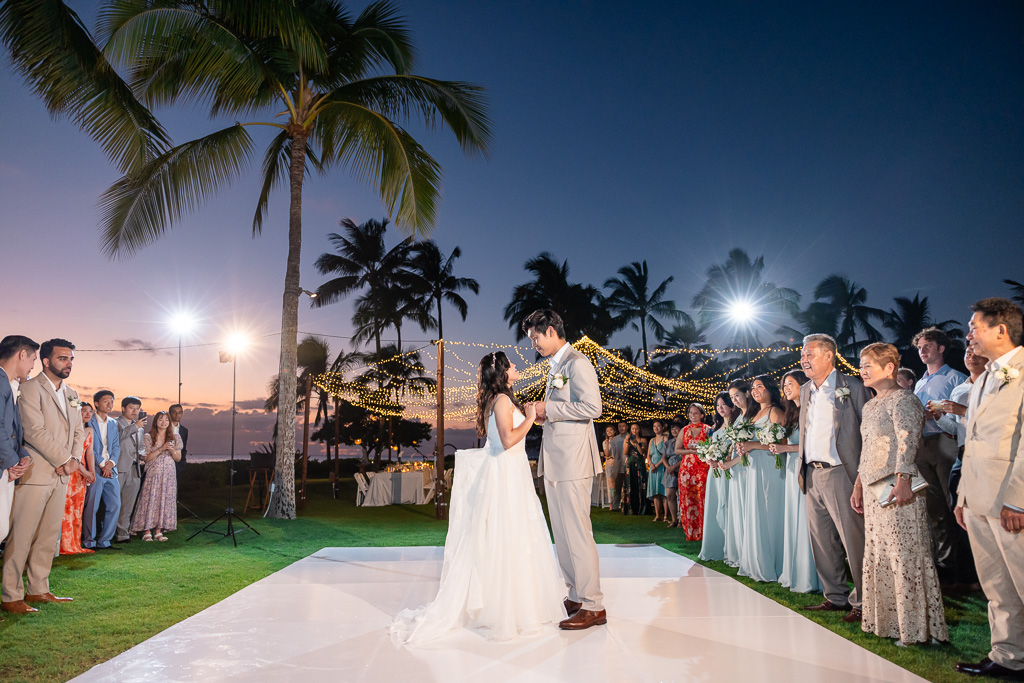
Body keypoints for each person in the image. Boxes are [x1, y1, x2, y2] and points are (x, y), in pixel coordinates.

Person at [389, 352, 565, 644]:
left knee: (507, 538)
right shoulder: (504, 400)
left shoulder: (498, 399)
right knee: (509, 537)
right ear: (503, 372)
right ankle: (508, 610)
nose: (517, 367)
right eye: (512, 365)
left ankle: (509, 604)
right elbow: (508, 440)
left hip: (509, 472)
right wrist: (531, 418)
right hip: (507, 474)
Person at [851, 343, 948, 646]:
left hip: (896, 485)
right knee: (882, 554)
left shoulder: (904, 399)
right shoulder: (870, 404)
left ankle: (917, 631)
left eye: (868, 365)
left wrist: (904, 479)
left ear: (889, 367)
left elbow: (909, 441)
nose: (862, 371)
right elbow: (867, 448)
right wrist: (857, 485)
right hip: (872, 486)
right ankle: (891, 623)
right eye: (861, 365)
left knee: (905, 554)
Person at [953, 298, 1024, 679]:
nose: (969, 335)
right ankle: (1009, 657)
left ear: (1001, 329)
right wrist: (962, 498)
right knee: (997, 586)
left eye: (974, 327)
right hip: (978, 499)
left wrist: (1019, 500)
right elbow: (974, 442)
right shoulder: (984, 377)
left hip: (1010, 502)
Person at [525, 309, 606, 630]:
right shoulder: (556, 367)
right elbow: (566, 410)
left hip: (574, 461)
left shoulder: (578, 363)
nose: (533, 344)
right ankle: (575, 594)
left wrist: (550, 409)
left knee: (577, 533)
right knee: (562, 533)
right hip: (556, 461)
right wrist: (547, 416)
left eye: (535, 337)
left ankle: (593, 604)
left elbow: (593, 408)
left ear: (550, 331)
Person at [1, 339, 84, 615]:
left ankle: (38, 588)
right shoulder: (28, 388)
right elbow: (34, 431)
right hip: (36, 472)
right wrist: (64, 460)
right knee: (22, 535)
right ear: (46, 361)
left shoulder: (72, 393)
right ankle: (10, 593)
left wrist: (72, 462)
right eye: (62, 358)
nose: (68, 363)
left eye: (71, 359)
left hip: (62, 475)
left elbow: (78, 432)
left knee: (48, 535)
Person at [798, 333, 871, 623]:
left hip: (842, 472)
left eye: (810, 355)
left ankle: (864, 601)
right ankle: (835, 597)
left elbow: (868, 432)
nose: (804, 360)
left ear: (829, 355)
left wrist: (862, 478)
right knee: (822, 541)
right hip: (811, 474)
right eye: (802, 356)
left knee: (854, 540)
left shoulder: (852, 386)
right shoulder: (805, 390)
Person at [912, 327, 967, 581]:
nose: (922, 351)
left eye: (927, 346)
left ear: (941, 348)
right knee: (932, 507)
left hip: (946, 443)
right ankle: (943, 565)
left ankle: (962, 567)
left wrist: (941, 414)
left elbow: (965, 414)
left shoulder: (957, 378)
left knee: (952, 503)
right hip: (922, 445)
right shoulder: (920, 382)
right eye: (920, 347)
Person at [770, 369, 820, 593]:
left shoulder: (812, 410)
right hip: (791, 469)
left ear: (803, 384)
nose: (786, 389)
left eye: (790, 384)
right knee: (793, 519)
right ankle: (793, 571)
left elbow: (813, 444)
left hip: (806, 469)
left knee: (805, 521)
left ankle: (810, 575)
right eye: (784, 386)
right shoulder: (791, 413)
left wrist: (785, 448)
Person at [735, 376, 787, 583]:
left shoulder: (775, 411)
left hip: (770, 467)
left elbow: (781, 443)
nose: (755, 391)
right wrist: (743, 445)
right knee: (757, 510)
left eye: (760, 387)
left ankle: (774, 561)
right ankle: (757, 560)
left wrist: (753, 446)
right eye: (753, 388)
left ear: (770, 389)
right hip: (755, 468)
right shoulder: (755, 413)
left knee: (770, 510)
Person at [0, 336, 37, 547]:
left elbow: (11, 429)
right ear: (22, 354)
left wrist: (22, 454)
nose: (33, 366)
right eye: (33, 359)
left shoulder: (8, 384)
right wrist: (12, 461)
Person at [699, 393, 738, 562]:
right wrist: (708, 457)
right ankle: (715, 545)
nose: (720, 408)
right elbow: (710, 446)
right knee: (715, 506)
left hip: (730, 470)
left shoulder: (738, 425)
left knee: (729, 507)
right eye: (718, 405)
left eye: (723, 404)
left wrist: (723, 459)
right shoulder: (716, 426)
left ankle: (731, 547)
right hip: (714, 473)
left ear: (732, 405)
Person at [131, 412, 182, 541]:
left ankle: (159, 530)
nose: (163, 422)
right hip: (153, 473)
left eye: (166, 420)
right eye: (160, 419)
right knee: (150, 499)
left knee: (164, 500)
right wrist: (161, 448)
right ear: (155, 422)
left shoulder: (175, 437)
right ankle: (147, 530)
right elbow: (146, 458)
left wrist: (171, 450)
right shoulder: (148, 437)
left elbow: (178, 458)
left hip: (169, 474)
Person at [81, 390, 121, 550]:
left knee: (115, 505)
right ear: (96, 403)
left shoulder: (113, 423)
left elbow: (116, 446)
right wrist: (102, 464)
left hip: (111, 470)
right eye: (106, 401)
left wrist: (111, 463)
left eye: (112, 401)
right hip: (95, 469)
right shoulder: (89, 421)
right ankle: (89, 541)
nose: (110, 404)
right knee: (92, 506)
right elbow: (90, 449)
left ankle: (105, 541)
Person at [722, 380, 753, 567]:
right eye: (732, 397)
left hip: (746, 466)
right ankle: (741, 550)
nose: (734, 401)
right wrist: (724, 458)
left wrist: (732, 462)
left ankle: (749, 551)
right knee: (738, 508)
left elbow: (751, 447)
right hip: (735, 466)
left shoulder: (753, 416)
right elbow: (734, 445)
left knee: (747, 508)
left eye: (737, 396)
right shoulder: (738, 417)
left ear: (747, 394)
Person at [59, 402, 96, 555]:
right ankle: (62, 544)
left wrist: (91, 472)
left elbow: (90, 453)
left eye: (90, 411)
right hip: (71, 470)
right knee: (66, 507)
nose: (87, 414)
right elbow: (70, 453)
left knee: (78, 507)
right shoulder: (70, 429)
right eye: (84, 411)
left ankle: (74, 543)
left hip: (83, 473)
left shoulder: (90, 430)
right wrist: (83, 471)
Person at [676, 403, 712, 541]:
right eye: (690, 413)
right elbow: (677, 450)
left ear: (702, 415)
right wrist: (691, 451)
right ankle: (690, 532)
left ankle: (704, 531)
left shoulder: (708, 430)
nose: (692, 415)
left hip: (703, 468)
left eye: (695, 413)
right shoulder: (684, 430)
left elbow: (713, 447)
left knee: (702, 498)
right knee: (687, 499)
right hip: (686, 470)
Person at [114, 396, 146, 542]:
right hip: (119, 468)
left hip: (135, 468)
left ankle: (123, 534)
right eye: (132, 407)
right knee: (113, 503)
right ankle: (107, 533)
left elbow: (139, 446)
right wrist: (135, 427)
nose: (135, 411)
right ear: (123, 408)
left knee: (128, 504)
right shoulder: (115, 423)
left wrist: (142, 455)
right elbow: (116, 438)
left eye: (137, 408)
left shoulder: (138, 427)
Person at [621, 423, 647, 516]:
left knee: (640, 484)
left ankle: (641, 507)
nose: (634, 430)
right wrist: (628, 441)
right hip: (629, 464)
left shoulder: (643, 440)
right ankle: (630, 508)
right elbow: (625, 452)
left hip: (639, 464)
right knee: (629, 485)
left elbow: (642, 452)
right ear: (630, 430)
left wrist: (636, 443)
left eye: (636, 429)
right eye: (633, 429)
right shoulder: (626, 440)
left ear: (639, 430)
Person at [646, 420, 669, 521]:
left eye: (658, 426)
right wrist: (651, 464)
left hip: (662, 465)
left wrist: (657, 465)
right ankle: (657, 515)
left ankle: (665, 515)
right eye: (654, 426)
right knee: (655, 491)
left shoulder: (665, 439)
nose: (656, 428)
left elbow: (665, 455)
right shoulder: (651, 440)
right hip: (653, 466)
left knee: (663, 491)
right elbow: (648, 455)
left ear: (662, 427)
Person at [663, 421, 682, 527]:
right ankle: (674, 519)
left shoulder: (684, 441)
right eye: (672, 429)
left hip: (680, 468)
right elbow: (664, 457)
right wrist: (668, 468)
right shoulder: (668, 442)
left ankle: (681, 519)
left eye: (676, 428)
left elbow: (684, 456)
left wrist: (674, 468)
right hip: (669, 469)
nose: (674, 431)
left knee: (681, 495)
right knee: (670, 495)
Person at [607, 421, 627, 511]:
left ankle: (627, 505)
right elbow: (613, 453)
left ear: (627, 427)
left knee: (628, 487)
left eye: (623, 426)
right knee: (617, 487)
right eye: (619, 426)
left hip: (627, 465)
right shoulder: (615, 439)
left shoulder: (629, 437)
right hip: (618, 466)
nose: (621, 428)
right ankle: (615, 506)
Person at [169, 404, 189, 480]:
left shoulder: (184, 430)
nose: (177, 415)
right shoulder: (164, 427)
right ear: (170, 413)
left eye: (179, 412)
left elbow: (183, 449)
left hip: (178, 465)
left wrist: (182, 464)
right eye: (174, 412)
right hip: (164, 463)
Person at [601, 425, 617, 508]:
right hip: (609, 464)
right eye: (607, 431)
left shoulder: (618, 440)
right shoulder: (604, 442)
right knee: (610, 484)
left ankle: (620, 502)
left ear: (614, 431)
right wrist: (607, 444)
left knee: (618, 483)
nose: (609, 432)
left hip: (617, 464)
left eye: (611, 430)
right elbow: (607, 454)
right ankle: (611, 503)